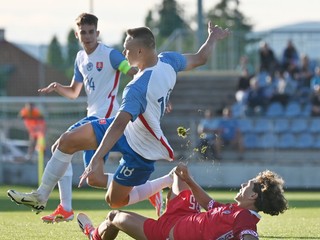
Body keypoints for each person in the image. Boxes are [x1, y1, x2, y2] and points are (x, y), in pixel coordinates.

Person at [7, 22, 230, 218]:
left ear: (141, 51)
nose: (124, 52)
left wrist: (97, 156)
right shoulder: (168, 60)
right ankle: (41, 196)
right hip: (127, 129)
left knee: (114, 201)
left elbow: (118, 125)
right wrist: (212, 38)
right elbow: (200, 58)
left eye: (127, 48)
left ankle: (163, 182)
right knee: (66, 141)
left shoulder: (137, 87)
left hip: (142, 148)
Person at [37, 13, 137, 223]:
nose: (88, 36)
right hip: (93, 117)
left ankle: (65, 208)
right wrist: (57, 87)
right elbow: (74, 92)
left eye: (91, 32)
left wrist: (151, 89)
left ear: (97, 33)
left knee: (60, 146)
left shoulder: (110, 55)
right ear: (77, 34)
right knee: (94, 178)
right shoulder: (80, 58)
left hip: (107, 119)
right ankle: (145, 188)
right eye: (83, 32)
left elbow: (131, 72)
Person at [77, 162, 288, 240]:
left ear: (253, 196)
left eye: (247, 185)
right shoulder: (234, 210)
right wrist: (189, 180)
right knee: (178, 172)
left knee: (114, 217)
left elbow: (250, 237)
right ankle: (157, 193)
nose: (243, 184)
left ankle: (94, 235)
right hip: (185, 214)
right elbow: (209, 204)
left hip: (164, 233)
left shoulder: (245, 218)